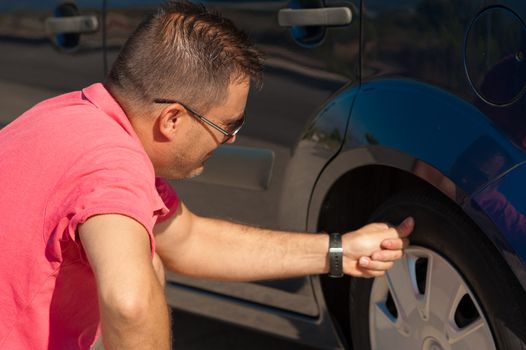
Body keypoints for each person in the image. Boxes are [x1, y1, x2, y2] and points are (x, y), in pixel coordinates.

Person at [0, 1, 413, 349]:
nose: (231, 139)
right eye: (227, 125)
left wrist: (341, 251)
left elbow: (188, 240)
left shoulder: (71, 116)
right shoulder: (112, 168)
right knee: (144, 273)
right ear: (173, 119)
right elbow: (130, 305)